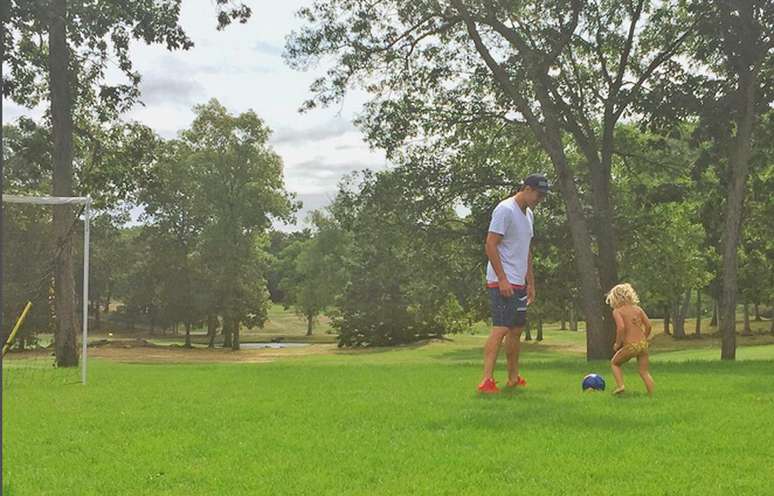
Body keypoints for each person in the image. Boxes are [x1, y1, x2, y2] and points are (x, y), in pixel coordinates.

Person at [477, 173, 549, 394]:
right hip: (502, 281)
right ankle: (486, 381)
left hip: (519, 282)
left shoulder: (529, 215)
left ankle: (513, 378)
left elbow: (526, 250)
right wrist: (502, 278)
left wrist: (530, 283)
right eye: (538, 194)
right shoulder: (505, 210)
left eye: (543, 196)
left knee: (516, 330)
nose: (540, 199)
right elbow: (490, 244)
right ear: (526, 189)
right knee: (500, 329)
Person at [606, 283, 655, 396]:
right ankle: (652, 395)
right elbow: (648, 326)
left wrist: (618, 343)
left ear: (615, 299)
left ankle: (620, 386)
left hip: (630, 345)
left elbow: (621, 327)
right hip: (643, 345)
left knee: (615, 363)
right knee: (644, 371)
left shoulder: (617, 311)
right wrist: (644, 338)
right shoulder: (638, 309)